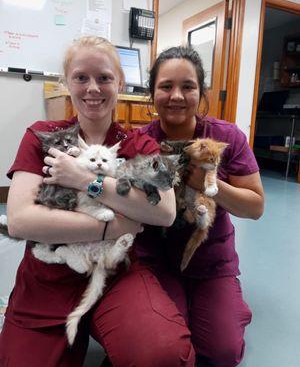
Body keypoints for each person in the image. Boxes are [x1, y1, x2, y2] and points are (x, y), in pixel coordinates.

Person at [0, 37, 195, 367]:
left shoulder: (137, 143)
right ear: (66, 83)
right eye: (81, 77)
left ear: (119, 83)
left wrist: (84, 180)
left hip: (115, 271)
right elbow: (20, 221)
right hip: (49, 276)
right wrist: (114, 224)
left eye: (104, 78)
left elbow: (164, 211)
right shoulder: (42, 136)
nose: (93, 88)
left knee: (164, 354)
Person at [136, 46, 265, 367]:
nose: (176, 95)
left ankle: (228, 303)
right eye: (166, 86)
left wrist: (209, 183)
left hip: (210, 260)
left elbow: (255, 207)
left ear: (201, 92)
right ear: (152, 92)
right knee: (166, 344)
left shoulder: (226, 137)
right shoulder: (139, 140)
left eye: (188, 86)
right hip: (157, 258)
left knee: (223, 351)